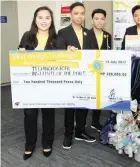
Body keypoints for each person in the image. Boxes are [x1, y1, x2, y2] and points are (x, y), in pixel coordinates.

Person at [56, 2, 96, 150]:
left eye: (82, 13)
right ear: (70, 14)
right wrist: (67, 51)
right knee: (70, 106)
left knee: (84, 104)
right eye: (76, 13)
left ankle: (80, 131)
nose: (79, 16)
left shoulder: (89, 32)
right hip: (70, 76)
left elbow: (93, 54)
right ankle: (68, 134)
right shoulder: (63, 32)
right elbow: (59, 53)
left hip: (86, 75)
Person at [18, 6, 56, 160]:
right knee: (30, 114)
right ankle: (30, 144)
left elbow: (65, 60)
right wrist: (20, 53)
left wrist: (70, 51)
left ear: (51, 20)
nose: (44, 21)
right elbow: (18, 58)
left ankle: (47, 142)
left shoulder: (57, 38)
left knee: (48, 115)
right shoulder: (27, 36)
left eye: (47, 17)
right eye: (40, 17)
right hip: (30, 85)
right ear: (35, 19)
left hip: (49, 85)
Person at [88, 8, 112, 132]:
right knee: (86, 97)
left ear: (105, 20)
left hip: (102, 72)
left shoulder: (108, 36)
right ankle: (80, 122)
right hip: (88, 72)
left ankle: (95, 121)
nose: (99, 21)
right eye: (96, 18)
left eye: (102, 19)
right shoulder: (86, 34)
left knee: (99, 97)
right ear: (92, 20)